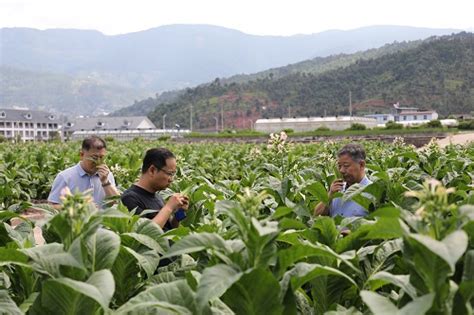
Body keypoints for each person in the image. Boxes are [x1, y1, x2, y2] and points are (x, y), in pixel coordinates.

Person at [121, 148, 189, 230]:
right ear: (152, 170)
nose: (171, 179)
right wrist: (169, 207)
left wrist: (179, 212)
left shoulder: (157, 196)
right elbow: (146, 233)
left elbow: (170, 227)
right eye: (169, 174)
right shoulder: (130, 198)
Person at [48, 135, 119, 207]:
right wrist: (79, 208)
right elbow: (53, 205)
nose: (98, 161)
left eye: (101, 157)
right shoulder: (65, 177)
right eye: (94, 157)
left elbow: (115, 203)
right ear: (82, 155)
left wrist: (105, 182)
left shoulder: (107, 175)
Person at [314, 143, 372, 217]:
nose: (341, 170)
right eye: (339, 166)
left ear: (361, 165)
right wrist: (329, 195)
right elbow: (316, 215)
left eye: (346, 166)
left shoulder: (372, 192)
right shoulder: (337, 190)